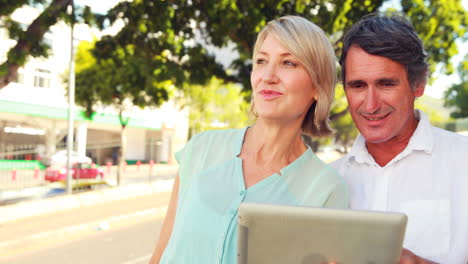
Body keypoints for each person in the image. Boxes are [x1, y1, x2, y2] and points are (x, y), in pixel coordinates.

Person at [149, 15, 349, 264]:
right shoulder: (201, 149)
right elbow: (160, 254)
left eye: (288, 63)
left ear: (318, 87)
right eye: (261, 61)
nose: (268, 75)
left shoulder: (326, 190)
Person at [332, 13, 468, 264]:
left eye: (386, 84)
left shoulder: (464, 162)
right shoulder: (327, 181)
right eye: (358, 85)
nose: (370, 105)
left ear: (419, 83)